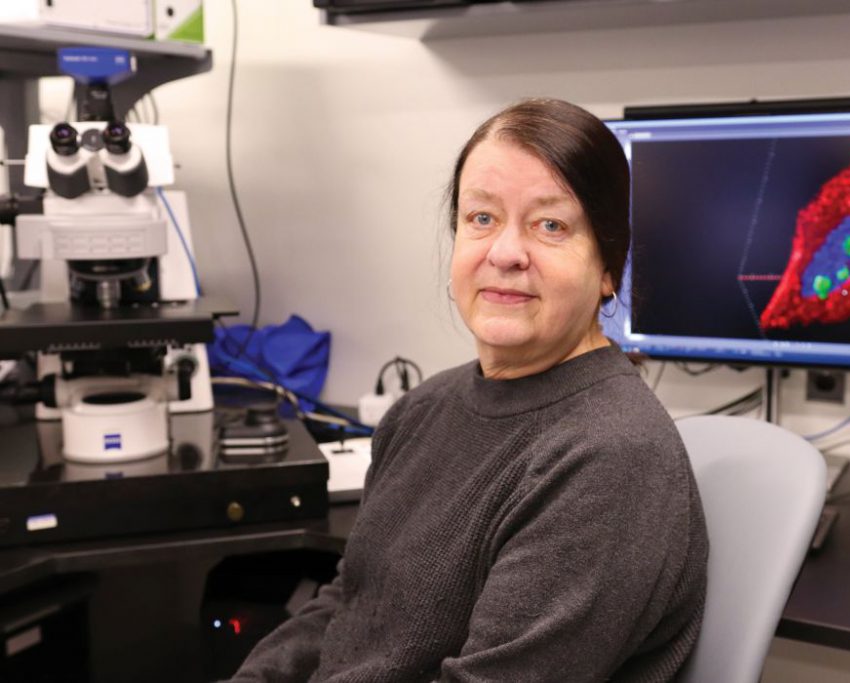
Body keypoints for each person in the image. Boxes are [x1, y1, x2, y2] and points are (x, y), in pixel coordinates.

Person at [230, 98, 708, 682]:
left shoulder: (610, 459)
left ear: (608, 266)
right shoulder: (422, 411)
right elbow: (349, 605)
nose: (505, 253)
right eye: (481, 218)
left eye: (550, 225)